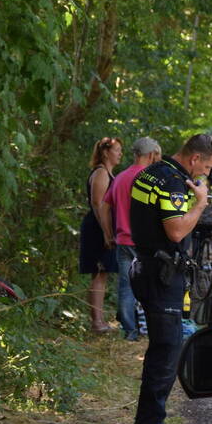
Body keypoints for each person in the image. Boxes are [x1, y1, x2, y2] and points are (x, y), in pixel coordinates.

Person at [129, 134, 212, 424]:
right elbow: (177, 230)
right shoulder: (172, 182)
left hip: (146, 265)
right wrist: (201, 203)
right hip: (161, 272)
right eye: (205, 167)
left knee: (162, 346)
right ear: (194, 159)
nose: (204, 174)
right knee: (166, 348)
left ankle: (147, 422)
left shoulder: (151, 172)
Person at [102, 136, 162, 341]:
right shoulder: (151, 179)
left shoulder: (119, 178)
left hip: (122, 241)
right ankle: (151, 328)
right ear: (151, 155)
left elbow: (105, 206)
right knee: (151, 286)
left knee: (126, 288)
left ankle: (130, 331)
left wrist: (108, 233)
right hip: (144, 243)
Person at [79, 136, 122, 332]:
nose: (120, 153)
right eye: (117, 150)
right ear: (106, 152)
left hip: (103, 227)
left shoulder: (109, 173)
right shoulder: (101, 173)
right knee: (98, 272)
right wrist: (106, 233)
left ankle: (100, 320)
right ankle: (96, 322)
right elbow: (98, 204)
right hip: (97, 228)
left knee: (103, 274)